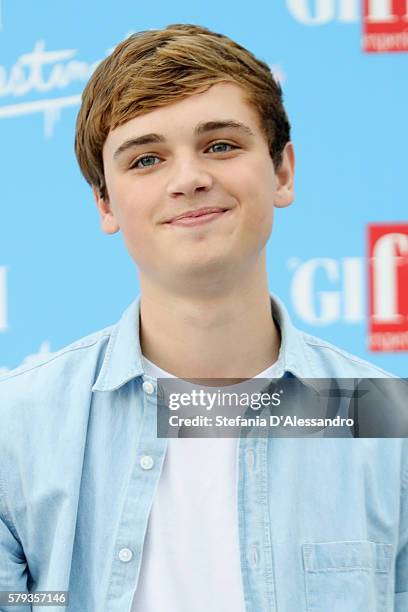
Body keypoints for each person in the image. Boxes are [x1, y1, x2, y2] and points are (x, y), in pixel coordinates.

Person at [0, 23, 406, 612]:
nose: (189, 178)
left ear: (283, 172)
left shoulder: (386, 421)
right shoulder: (15, 431)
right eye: (146, 158)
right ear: (106, 204)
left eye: (220, 145)